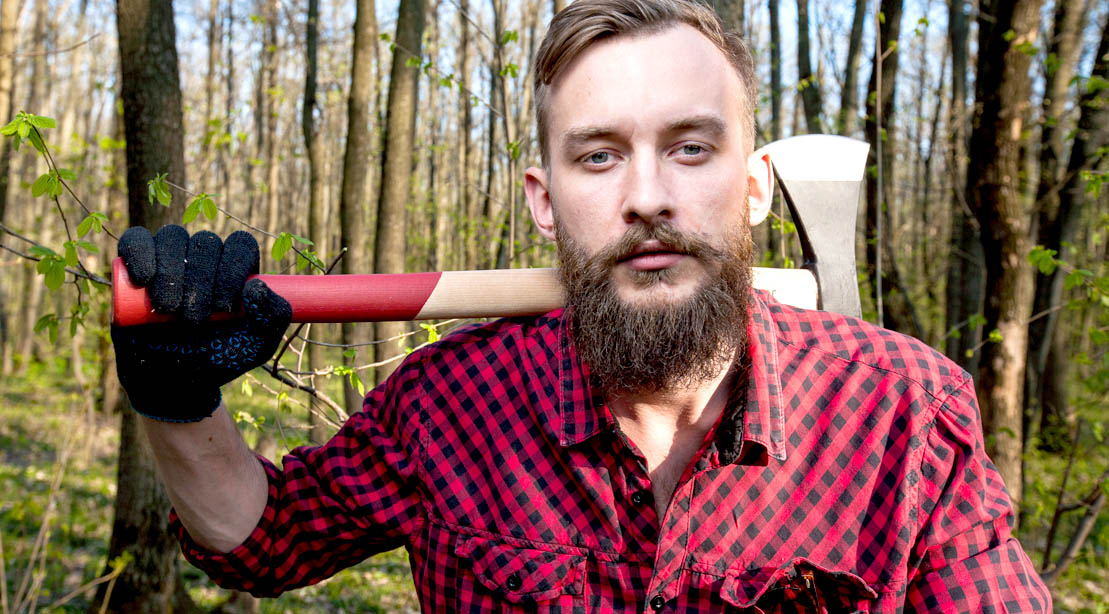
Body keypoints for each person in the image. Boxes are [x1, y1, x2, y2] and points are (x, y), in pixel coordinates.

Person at [110, 0, 1052, 611]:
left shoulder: (904, 415)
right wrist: (176, 405)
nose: (647, 195)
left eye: (691, 148)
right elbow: (263, 541)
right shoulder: (449, 406)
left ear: (756, 185)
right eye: (598, 155)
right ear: (543, 197)